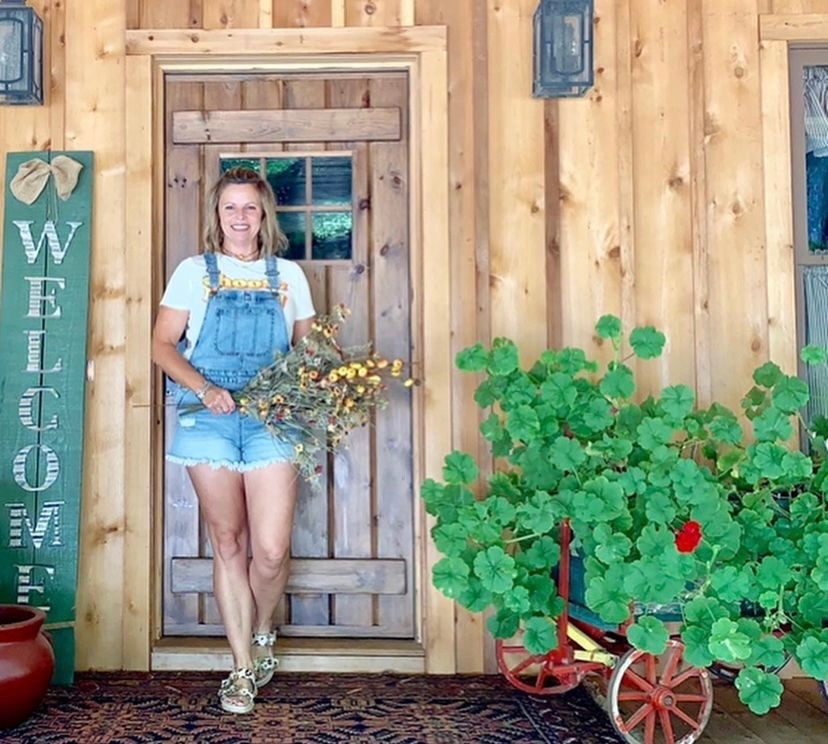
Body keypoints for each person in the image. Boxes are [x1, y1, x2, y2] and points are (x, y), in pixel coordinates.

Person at [151, 166, 315, 714]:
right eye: (230, 208)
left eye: (249, 207)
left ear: (264, 213)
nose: (240, 217)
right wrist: (205, 385)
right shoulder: (193, 272)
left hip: (273, 421)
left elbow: (306, 355)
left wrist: (308, 388)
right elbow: (162, 345)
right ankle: (241, 667)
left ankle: (263, 629)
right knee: (230, 542)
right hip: (209, 417)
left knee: (269, 551)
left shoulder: (289, 276)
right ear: (217, 215)